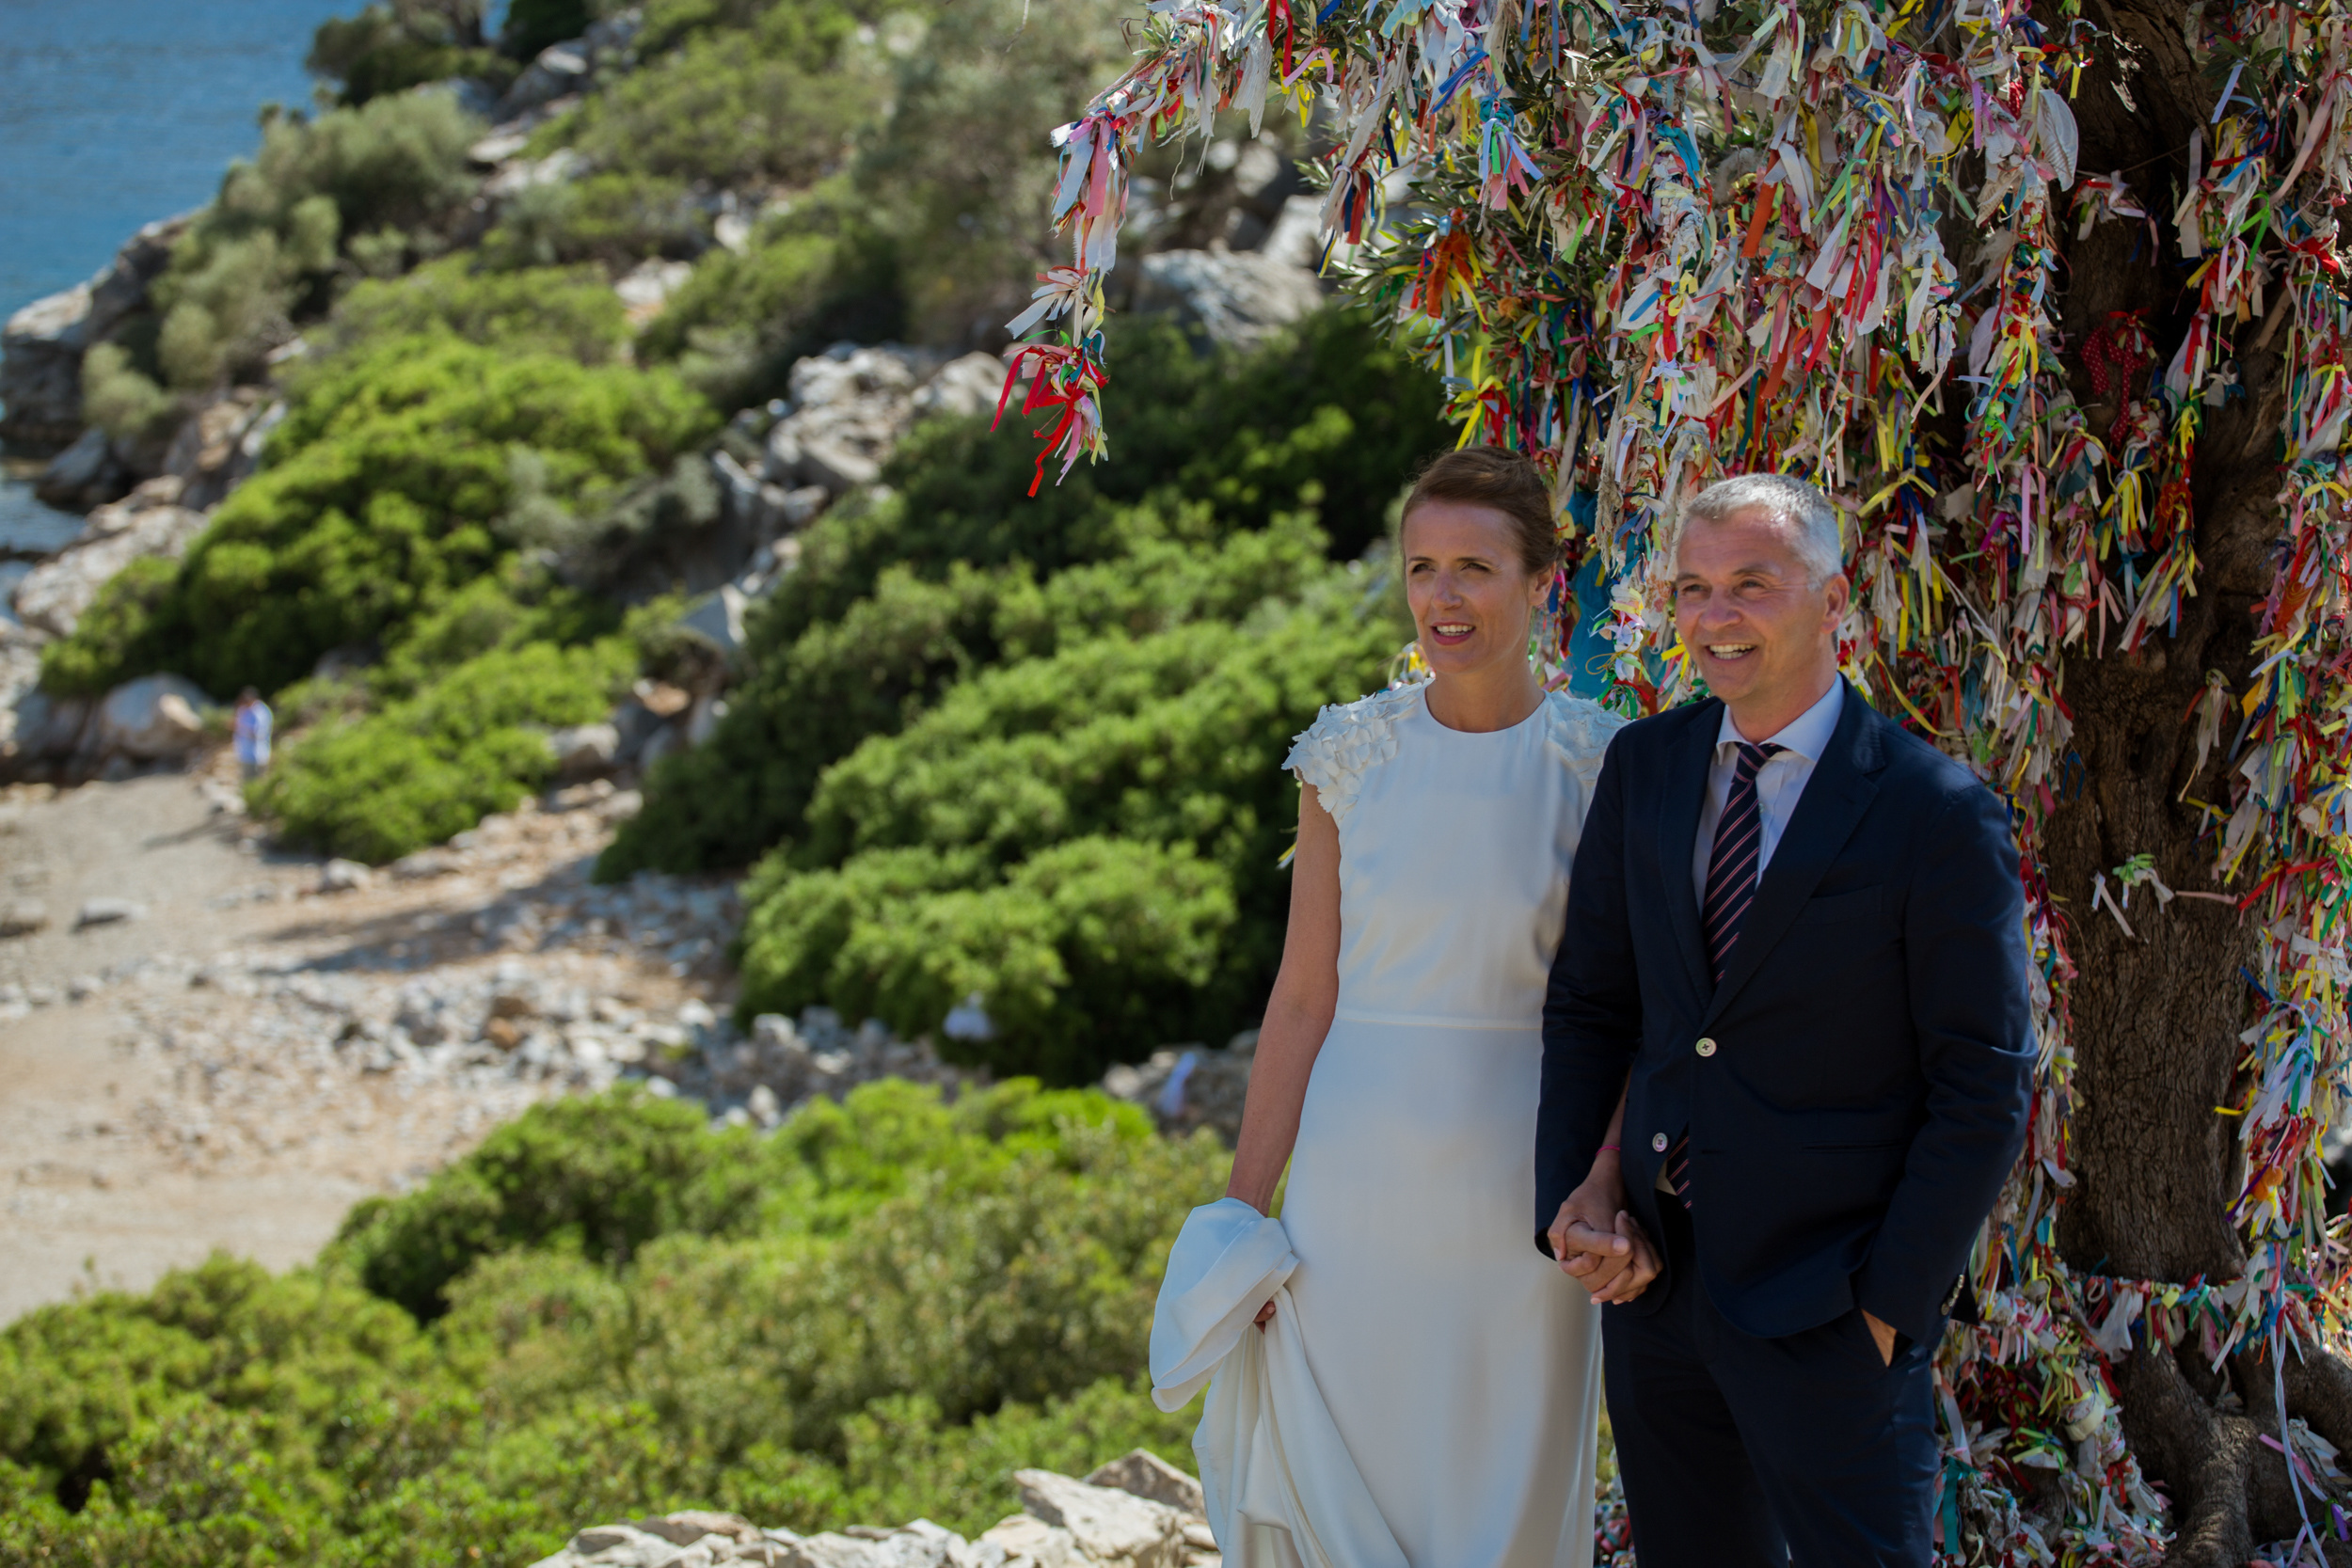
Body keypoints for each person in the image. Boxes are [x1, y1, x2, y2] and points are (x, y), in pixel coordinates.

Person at [1152, 448, 1644, 1568]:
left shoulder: (1602, 764)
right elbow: (1301, 997)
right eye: (1422, 567)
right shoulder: (1347, 755)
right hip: (1352, 1195)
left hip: (1525, 1190)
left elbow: (1628, 1009)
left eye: (1475, 566)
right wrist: (1242, 1217)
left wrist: (1604, 1179)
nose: (1443, 596)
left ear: (1541, 583)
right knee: (1346, 1477)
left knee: (1499, 1494)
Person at [1535, 472, 2035, 1565]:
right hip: (1655, 1287)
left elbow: (1984, 1082)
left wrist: (1887, 1306)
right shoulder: (1646, 765)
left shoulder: (1935, 812)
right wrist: (1581, 1189)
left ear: (1833, 599)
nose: (1714, 616)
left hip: (1832, 1304)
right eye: (1692, 588)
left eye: (1750, 585)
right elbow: (1594, 1005)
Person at [232, 688, 272, 780]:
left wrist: (241, 727)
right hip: (244, 754)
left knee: (256, 782)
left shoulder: (261, 712)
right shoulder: (243, 710)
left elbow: (259, 733)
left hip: (257, 755)